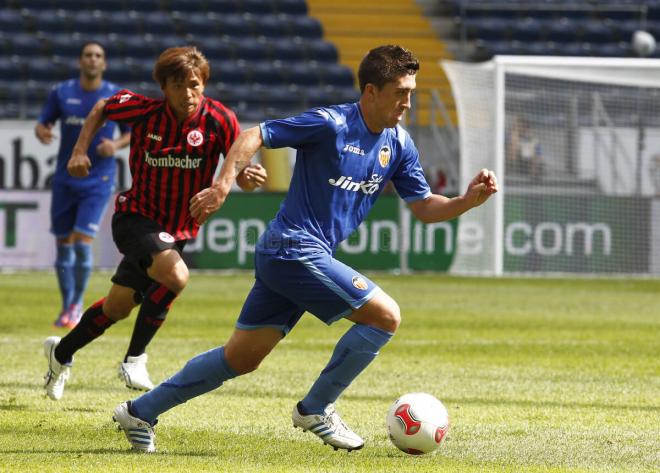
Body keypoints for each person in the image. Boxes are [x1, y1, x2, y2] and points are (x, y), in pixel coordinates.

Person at [112, 45, 498, 453]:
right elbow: (253, 134)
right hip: (292, 248)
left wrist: (465, 201)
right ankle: (317, 407)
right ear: (370, 92)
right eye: (400, 92)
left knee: (239, 359)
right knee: (385, 316)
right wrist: (223, 185)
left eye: (411, 92)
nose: (407, 102)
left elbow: (422, 206)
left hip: (296, 255)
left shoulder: (398, 144)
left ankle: (140, 411)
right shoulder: (331, 123)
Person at [42, 46, 267, 400]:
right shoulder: (145, 111)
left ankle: (60, 354)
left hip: (176, 231)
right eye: (179, 85)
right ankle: (134, 359)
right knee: (177, 276)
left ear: (204, 84)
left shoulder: (220, 120)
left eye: (195, 85)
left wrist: (247, 177)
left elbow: (237, 165)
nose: (188, 94)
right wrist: (79, 149)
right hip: (135, 217)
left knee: (116, 307)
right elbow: (102, 107)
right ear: (164, 87)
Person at [35, 41, 131, 329]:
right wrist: (42, 131)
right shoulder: (62, 92)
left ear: (104, 63)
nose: (92, 60)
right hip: (65, 178)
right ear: (80, 62)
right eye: (88, 55)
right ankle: (67, 306)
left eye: (98, 56)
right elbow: (43, 124)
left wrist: (114, 144)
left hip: (98, 180)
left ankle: (76, 306)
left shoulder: (114, 95)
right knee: (63, 244)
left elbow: (130, 133)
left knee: (80, 242)